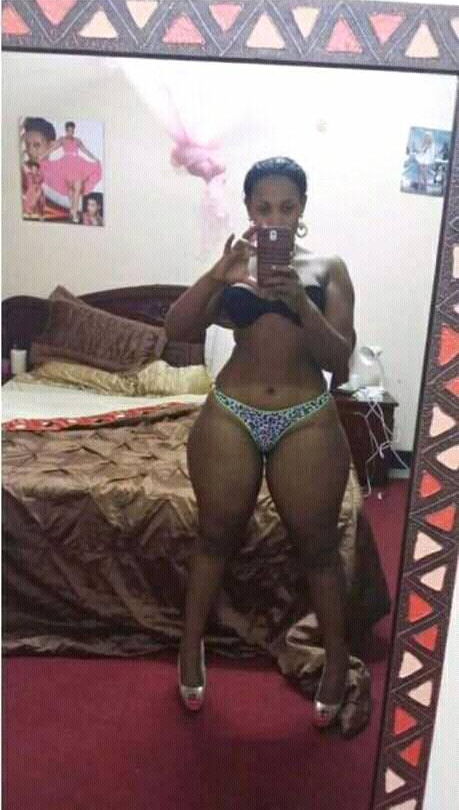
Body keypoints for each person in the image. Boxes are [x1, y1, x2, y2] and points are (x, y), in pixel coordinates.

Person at [165, 156, 356, 728]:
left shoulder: (328, 268)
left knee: (319, 547)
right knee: (213, 537)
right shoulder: (232, 265)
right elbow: (177, 328)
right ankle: (190, 650)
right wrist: (217, 276)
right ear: (249, 209)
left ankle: (336, 662)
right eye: (264, 207)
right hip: (233, 411)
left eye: (287, 207)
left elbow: (339, 359)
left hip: (306, 415)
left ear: (302, 209)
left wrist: (301, 302)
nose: (275, 217)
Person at [22, 118, 101, 223]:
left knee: (77, 186)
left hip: (77, 163)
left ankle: (74, 212)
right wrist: (42, 156)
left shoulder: (77, 141)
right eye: (68, 130)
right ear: (66, 130)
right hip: (65, 164)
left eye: (72, 130)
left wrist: (94, 158)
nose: (70, 132)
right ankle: (73, 211)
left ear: (73, 130)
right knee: (70, 190)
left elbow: (85, 151)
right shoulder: (62, 140)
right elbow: (52, 149)